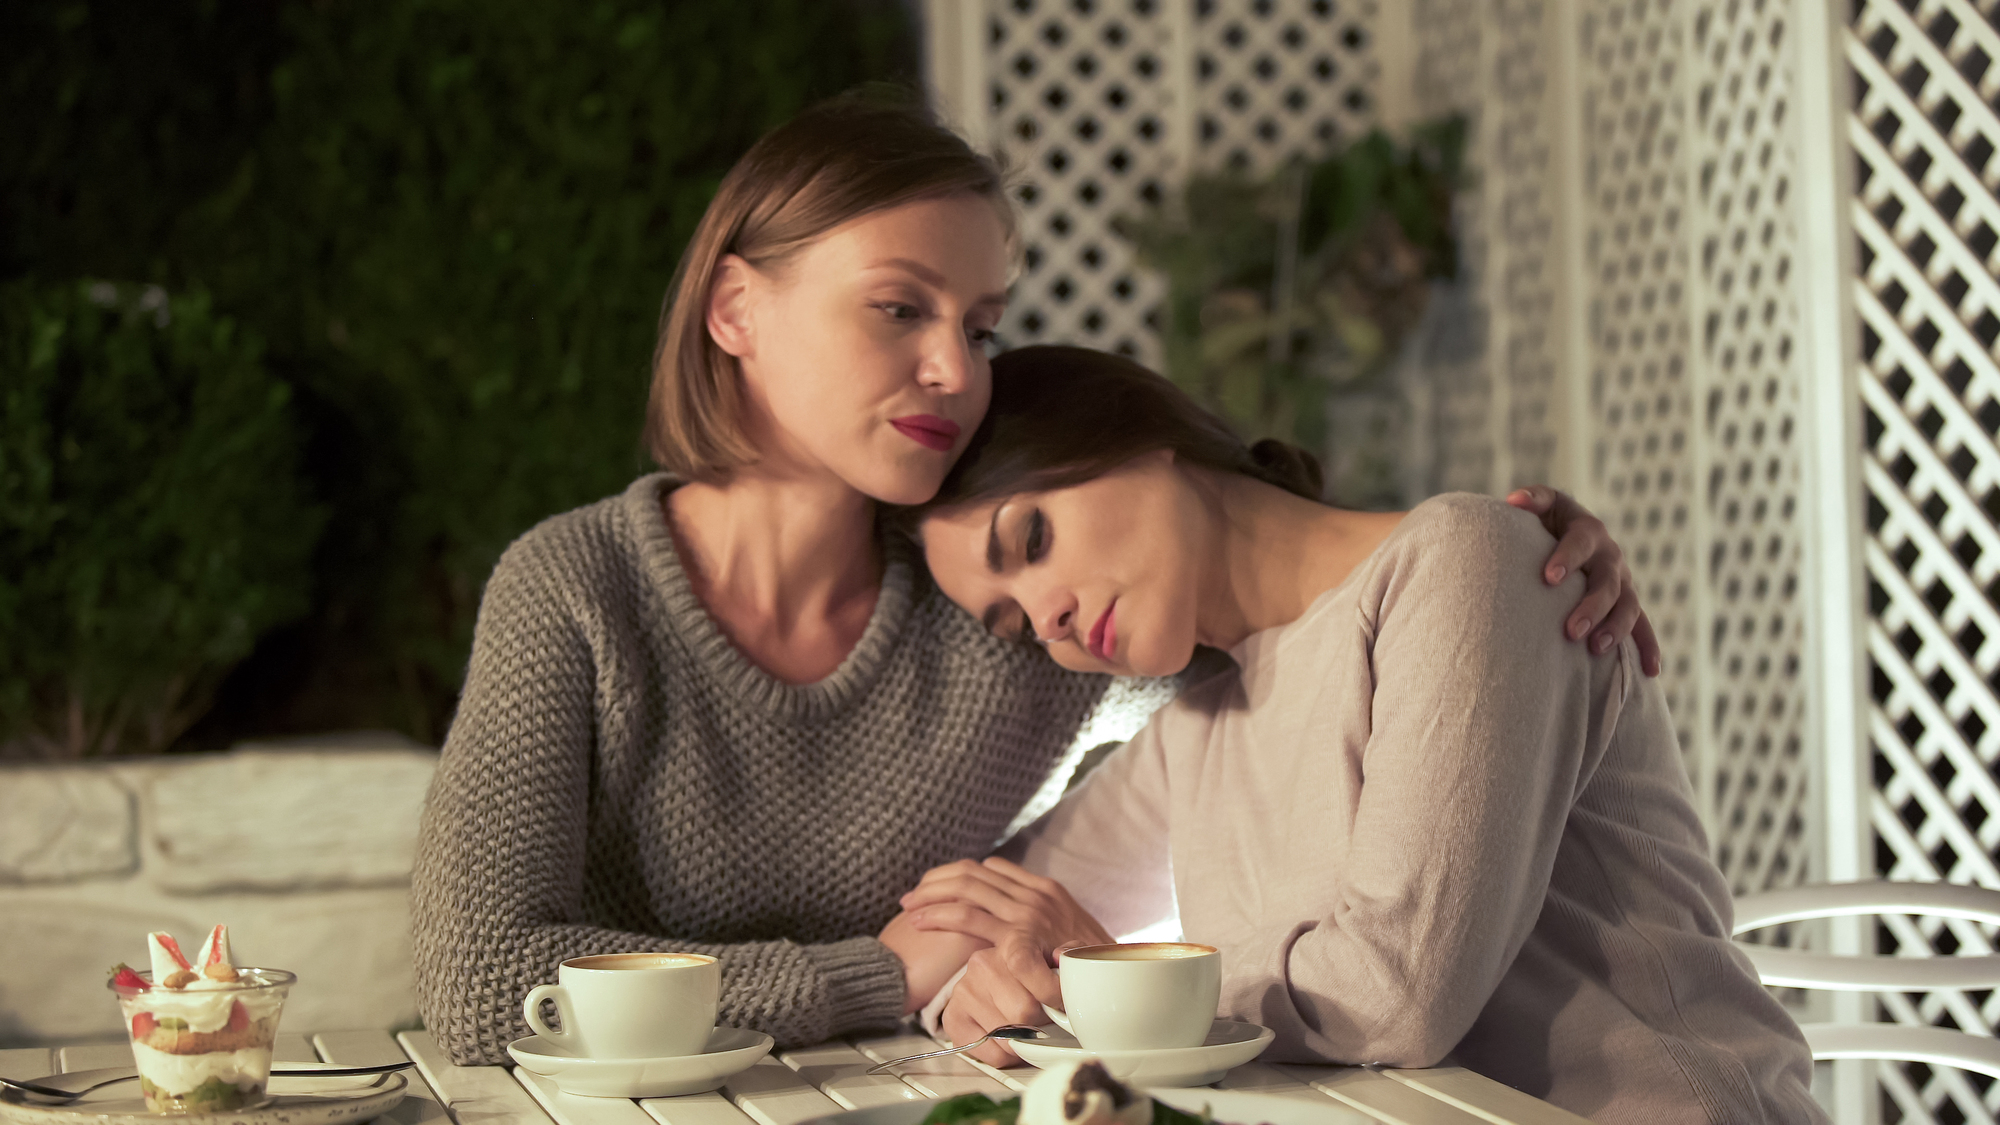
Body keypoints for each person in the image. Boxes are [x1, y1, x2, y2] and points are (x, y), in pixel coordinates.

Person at [409, 96, 1660, 1067]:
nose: (954, 368)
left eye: (982, 323)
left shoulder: (1009, 620)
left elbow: (1295, 609)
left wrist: (1525, 549)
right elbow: (475, 980)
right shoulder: (579, 590)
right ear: (734, 308)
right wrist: (880, 977)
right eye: (900, 309)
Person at [897, 345, 1823, 1124]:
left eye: (1032, 542)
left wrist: (1114, 988)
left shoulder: (1472, 559)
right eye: (1013, 623)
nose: (1046, 618)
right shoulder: (1196, 735)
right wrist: (981, 998)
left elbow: (1394, 992)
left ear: (1135, 438)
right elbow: (967, 929)